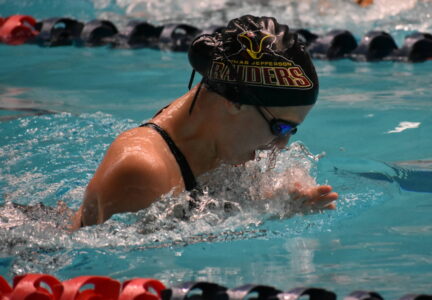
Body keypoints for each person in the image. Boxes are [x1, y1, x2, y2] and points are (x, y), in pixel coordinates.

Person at [71, 15, 338, 229]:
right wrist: (267, 219)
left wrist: (279, 204)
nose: (280, 145)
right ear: (235, 102)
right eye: (279, 127)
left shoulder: (222, 144)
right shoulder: (142, 171)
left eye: (291, 130)